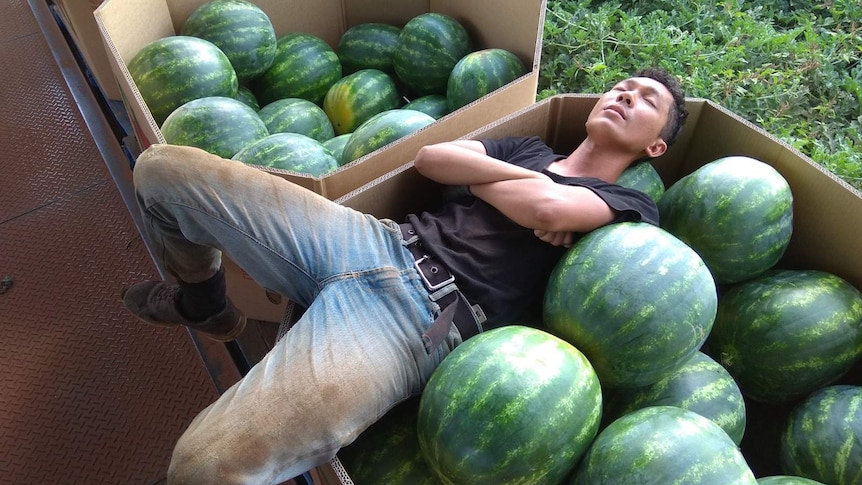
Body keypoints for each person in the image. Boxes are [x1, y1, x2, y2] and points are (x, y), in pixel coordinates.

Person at [122, 67, 688, 483]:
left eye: (646, 101)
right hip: (374, 238)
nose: (624, 95)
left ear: (655, 145)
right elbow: (432, 160)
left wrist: (492, 180)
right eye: (622, 86)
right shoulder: (529, 147)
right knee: (162, 170)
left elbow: (547, 211)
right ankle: (206, 304)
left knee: (202, 469)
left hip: (421, 322)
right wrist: (518, 179)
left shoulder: (629, 207)